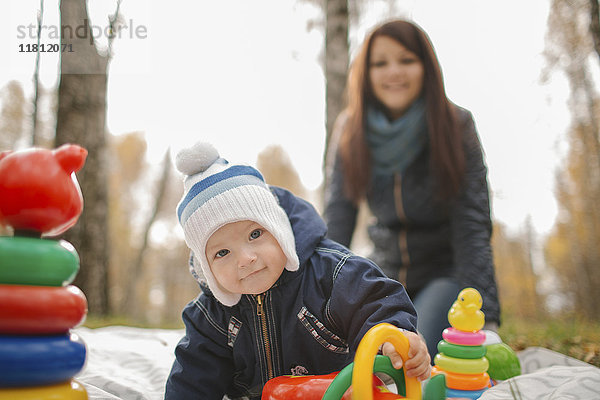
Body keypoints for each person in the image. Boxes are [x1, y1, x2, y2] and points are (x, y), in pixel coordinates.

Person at [164, 142, 431, 399]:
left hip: (338, 394)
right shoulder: (211, 316)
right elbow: (192, 378)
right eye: (222, 253)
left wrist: (394, 337)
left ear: (279, 229)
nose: (245, 259)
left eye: (255, 234)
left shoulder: (331, 274)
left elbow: (376, 303)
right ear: (207, 268)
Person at [324, 19, 500, 360]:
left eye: (406, 60)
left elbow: (473, 224)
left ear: (426, 66)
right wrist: (318, 295)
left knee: (410, 349)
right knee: (360, 353)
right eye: (380, 63)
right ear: (366, 72)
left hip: (445, 275)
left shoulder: (456, 124)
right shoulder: (350, 130)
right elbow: (337, 219)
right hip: (383, 273)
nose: (394, 72)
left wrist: (486, 316)